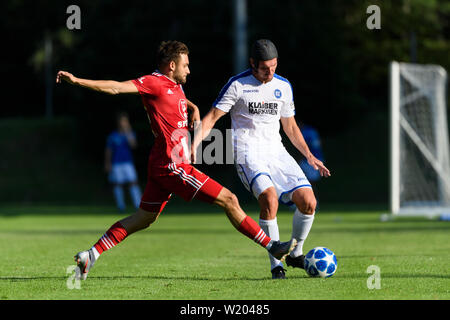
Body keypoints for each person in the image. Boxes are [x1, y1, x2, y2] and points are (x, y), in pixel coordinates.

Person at [56, 40, 295, 280]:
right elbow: (116, 88)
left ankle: (91, 254)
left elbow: (177, 100)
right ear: (172, 65)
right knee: (229, 199)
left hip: (161, 164)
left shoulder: (174, 85)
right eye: (186, 65)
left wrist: (194, 108)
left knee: (143, 218)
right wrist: (77, 81)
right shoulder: (154, 83)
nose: (189, 70)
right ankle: (272, 246)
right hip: (173, 165)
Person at [191, 39, 331, 279]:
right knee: (269, 197)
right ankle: (276, 265)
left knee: (309, 201)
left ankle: (296, 253)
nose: (270, 72)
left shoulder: (283, 86)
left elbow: (290, 126)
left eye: (274, 66)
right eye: (265, 68)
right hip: (248, 152)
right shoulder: (237, 85)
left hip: (276, 152)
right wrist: (193, 145)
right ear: (253, 63)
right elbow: (213, 117)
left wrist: (308, 155)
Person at [105, 112, 142, 212]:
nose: (123, 123)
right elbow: (109, 151)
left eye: (125, 121)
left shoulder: (130, 134)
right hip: (116, 163)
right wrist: (107, 163)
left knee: (133, 182)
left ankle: (138, 204)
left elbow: (133, 145)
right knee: (118, 184)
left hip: (128, 162)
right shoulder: (113, 136)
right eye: (122, 121)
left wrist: (127, 131)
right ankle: (121, 206)